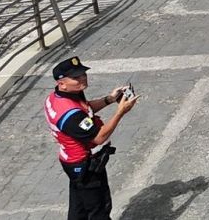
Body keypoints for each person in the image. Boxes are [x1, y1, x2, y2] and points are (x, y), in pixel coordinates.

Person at [44, 56, 139, 220]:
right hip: (85, 165)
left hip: (72, 163)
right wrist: (121, 112)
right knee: (99, 209)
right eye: (76, 77)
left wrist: (109, 99)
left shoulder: (62, 96)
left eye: (82, 73)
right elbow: (98, 137)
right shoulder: (68, 115)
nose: (82, 78)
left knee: (79, 208)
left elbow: (86, 108)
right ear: (62, 83)